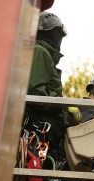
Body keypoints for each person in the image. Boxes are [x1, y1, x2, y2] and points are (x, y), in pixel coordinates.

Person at [23, 11, 68, 161]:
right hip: (35, 130)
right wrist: (63, 106)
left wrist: (68, 118)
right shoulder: (40, 52)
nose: (57, 39)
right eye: (54, 34)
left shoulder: (44, 55)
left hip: (43, 133)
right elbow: (35, 92)